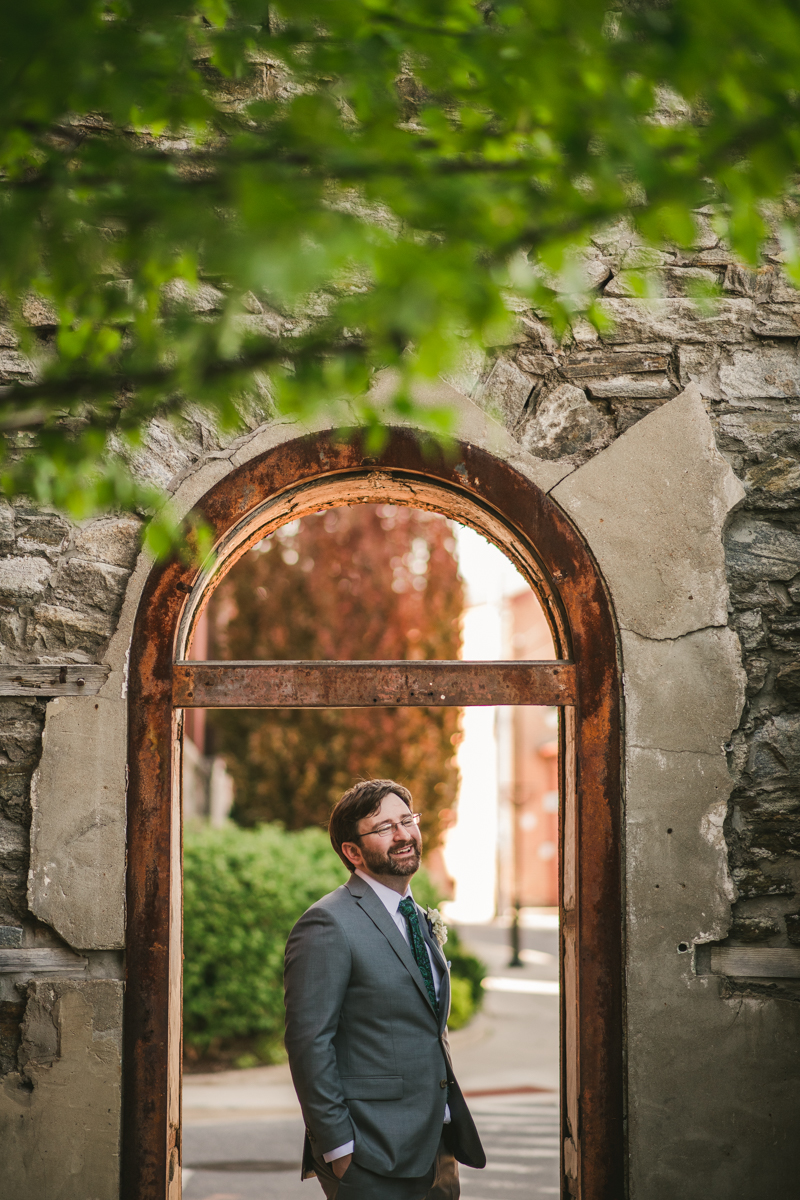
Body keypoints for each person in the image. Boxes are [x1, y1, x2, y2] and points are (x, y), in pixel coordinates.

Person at [284, 779, 486, 1199]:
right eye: (383, 828)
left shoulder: (415, 914)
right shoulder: (327, 924)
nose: (403, 834)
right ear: (352, 852)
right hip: (372, 1153)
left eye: (407, 820)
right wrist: (340, 1149)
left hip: (437, 1146)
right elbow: (309, 1043)